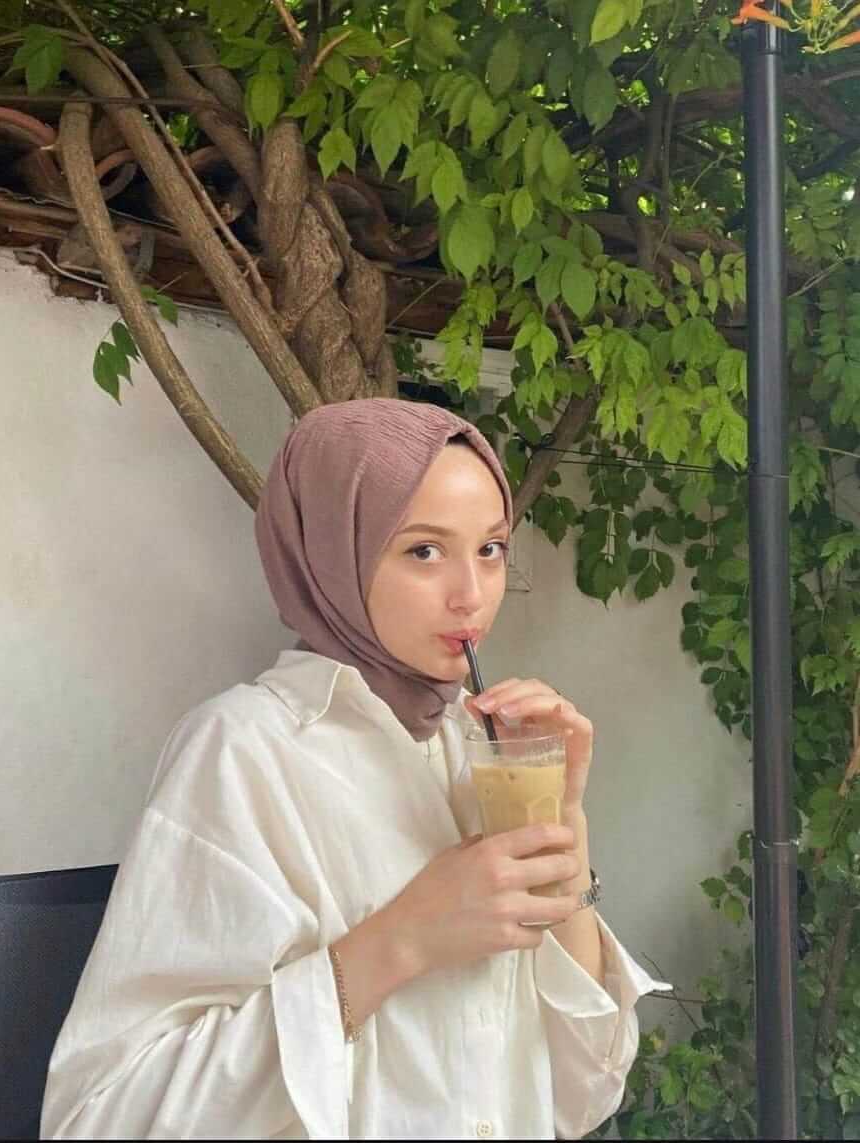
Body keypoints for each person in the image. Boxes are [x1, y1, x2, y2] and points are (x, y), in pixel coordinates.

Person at [41, 398, 668, 1141]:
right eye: (424, 551)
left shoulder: (475, 745)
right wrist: (403, 938)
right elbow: (102, 1117)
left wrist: (565, 827)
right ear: (333, 553)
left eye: (491, 548)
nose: (471, 593)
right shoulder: (244, 749)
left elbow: (584, 1091)